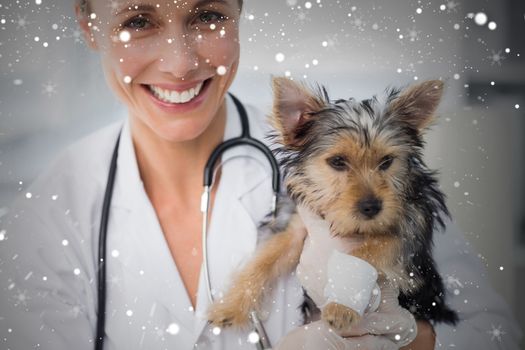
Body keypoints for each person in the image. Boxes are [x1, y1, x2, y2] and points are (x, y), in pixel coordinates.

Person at [0, 0, 521, 349]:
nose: (181, 63)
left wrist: (409, 336)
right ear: (90, 26)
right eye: (138, 20)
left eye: (207, 14)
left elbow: (495, 334)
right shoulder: (48, 215)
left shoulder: (383, 183)